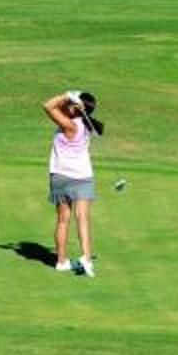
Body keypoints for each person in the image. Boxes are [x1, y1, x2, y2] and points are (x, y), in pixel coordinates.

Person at [42, 89, 103, 277]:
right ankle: (86, 258)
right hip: (83, 176)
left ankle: (61, 262)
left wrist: (67, 95)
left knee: (63, 220)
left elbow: (48, 106)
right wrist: (72, 102)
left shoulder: (70, 125)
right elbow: (60, 109)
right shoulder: (86, 125)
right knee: (82, 217)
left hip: (62, 176)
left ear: (76, 108)